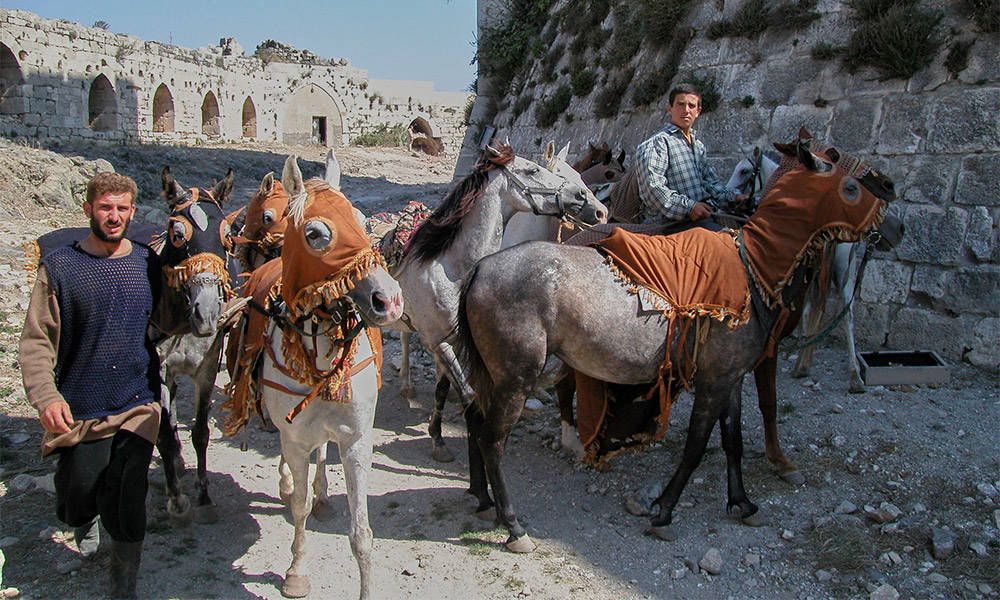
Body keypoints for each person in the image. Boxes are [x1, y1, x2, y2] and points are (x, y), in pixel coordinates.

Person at [20, 172, 162, 599]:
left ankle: (123, 587)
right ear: (88, 210)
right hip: (80, 405)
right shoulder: (61, 268)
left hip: (138, 402)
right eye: (105, 207)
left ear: (132, 212)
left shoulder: (145, 262)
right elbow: (37, 339)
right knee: (78, 496)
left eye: (122, 208)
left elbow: (166, 320)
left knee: (128, 494)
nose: (114, 216)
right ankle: (82, 515)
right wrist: (45, 396)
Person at [635, 84, 747, 230]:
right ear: (670, 108)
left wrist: (734, 197)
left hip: (703, 218)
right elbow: (652, 189)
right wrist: (689, 207)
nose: (686, 110)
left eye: (691, 106)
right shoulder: (658, 143)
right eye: (680, 104)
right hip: (673, 224)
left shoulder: (698, 146)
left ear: (698, 111)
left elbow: (709, 184)